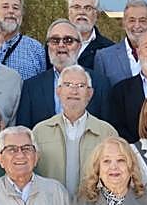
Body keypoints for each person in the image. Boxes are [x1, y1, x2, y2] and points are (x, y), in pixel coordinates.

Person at [32, 64, 119, 196]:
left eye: (81, 86)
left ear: (90, 93)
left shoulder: (107, 132)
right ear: (58, 91)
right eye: (68, 85)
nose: (74, 91)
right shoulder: (40, 131)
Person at [16, 19, 110, 127]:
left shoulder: (100, 83)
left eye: (68, 40)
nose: (61, 45)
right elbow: (25, 131)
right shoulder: (31, 87)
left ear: (79, 46)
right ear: (48, 46)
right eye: (55, 40)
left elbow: (106, 131)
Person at [94, 0, 147, 87]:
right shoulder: (104, 57)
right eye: (132, 20)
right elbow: (101, 95)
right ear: (124, 23)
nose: (137, 26)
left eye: (142, 20)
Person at [68, 0, 115, 71]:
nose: (82, 12)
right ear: (69, 12)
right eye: (76, 7)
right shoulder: (54, 45)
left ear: (95, 14)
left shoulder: (109, 49)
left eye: (87, 8)